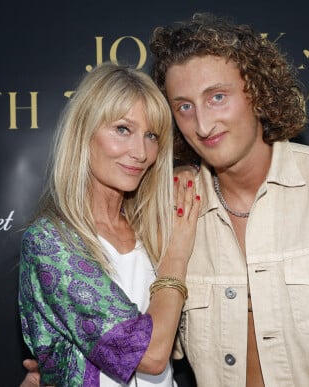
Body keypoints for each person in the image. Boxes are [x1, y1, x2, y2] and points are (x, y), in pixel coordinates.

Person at [22, 12, 309, 387]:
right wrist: (64, 358)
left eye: (217, 97)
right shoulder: (171, 211)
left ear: (257, 94)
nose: (203, 125)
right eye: (185, 107)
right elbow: (152, 336)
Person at [18, 62, 200, 387]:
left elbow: (182, 338)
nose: (141, 152)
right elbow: (151, 356)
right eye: (122, 130)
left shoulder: (150, 225)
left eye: (151, 136)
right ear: (84, 132)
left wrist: (187, 172)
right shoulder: (51, 241)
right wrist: (175, 257)